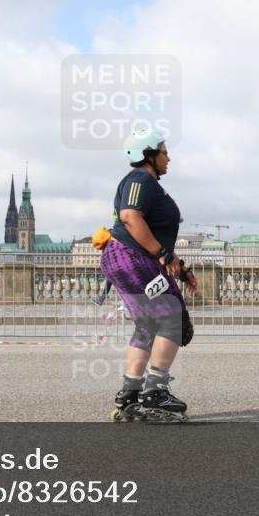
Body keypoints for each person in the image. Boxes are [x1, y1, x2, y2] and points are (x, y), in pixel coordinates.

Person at [99, 127, 196, 421]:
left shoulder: (147, 182)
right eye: (164, 152)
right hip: (133, 258)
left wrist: (178, 266)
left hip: (130, 259)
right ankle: (156, 392)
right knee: (172, 319)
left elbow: (153, 232)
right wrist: (163, 254)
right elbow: (130, 216)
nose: (169, 158)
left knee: (148, 324)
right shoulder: (141, 179)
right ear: (149, 155)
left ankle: (130, 393)